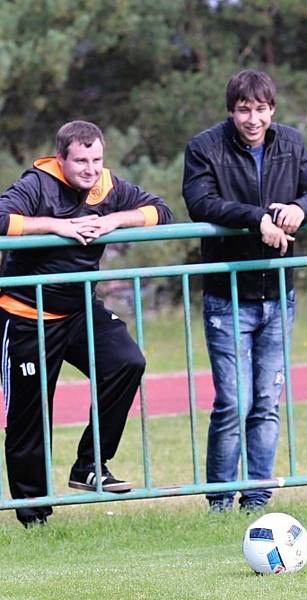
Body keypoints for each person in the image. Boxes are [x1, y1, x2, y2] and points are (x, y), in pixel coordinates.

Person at [0, 120, 173, 527]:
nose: (90, 169)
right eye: (81, 160)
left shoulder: (108, 186)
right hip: (27, 316)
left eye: (97, 159)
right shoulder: (37, 184)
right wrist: (57, 226)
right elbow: (1, 219)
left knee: (127, 361)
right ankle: (34, 518)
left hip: (79, 312)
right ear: (61, 159)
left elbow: (161, 211)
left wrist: (114, 221)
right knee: (29, 419)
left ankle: (89, 464)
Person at [182, 69, 307, 513]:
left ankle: (258, 500)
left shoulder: (291, 142)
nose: (253, 118)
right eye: (244, 109)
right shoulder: (203, 147)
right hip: (226, 297)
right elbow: (200, 203)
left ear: (273, 109)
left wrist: (299, 208)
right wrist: (257, 217)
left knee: (266, 402)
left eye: (261, 109)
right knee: (233, 402)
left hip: (279, 295)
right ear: (231, 111)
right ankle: (219, 503)